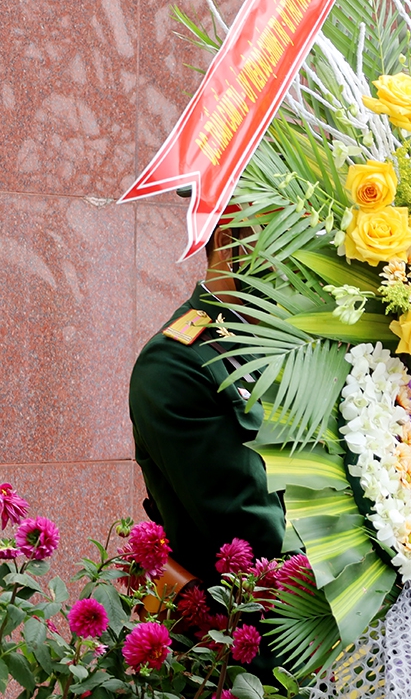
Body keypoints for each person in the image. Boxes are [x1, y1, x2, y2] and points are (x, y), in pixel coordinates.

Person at [129, 222, 285, 585]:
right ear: (229, 241)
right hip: (257, 611)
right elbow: (259, 539)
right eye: (283, 236)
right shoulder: (175, 364)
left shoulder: (283, 344)